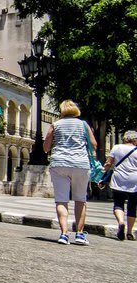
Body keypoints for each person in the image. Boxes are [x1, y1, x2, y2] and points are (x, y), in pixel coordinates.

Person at [43, 99, 96, 245]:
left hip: (59, 163)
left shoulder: (55, 124)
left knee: (61, 200)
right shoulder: (83, 124)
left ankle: (64, 234)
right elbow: (94, 144)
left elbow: (46, 147)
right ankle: (79, 234)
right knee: (80, 199)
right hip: (80, 164)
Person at [100, 130, 137, 241]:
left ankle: (121, 222)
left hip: (119, 179)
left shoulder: (116, 147)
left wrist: (102, 175)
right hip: (134, 180)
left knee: (118, 203)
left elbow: (108, 163)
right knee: (132, 206)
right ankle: (129, 232)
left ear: (125, 138)